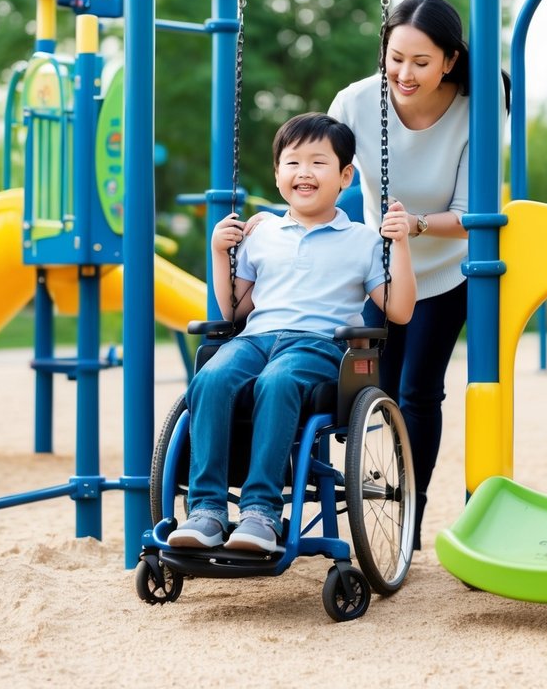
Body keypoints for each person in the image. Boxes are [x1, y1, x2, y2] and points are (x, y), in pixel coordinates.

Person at [168, 112, 416, 553]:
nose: (304, 172)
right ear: (278, 174)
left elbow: (398, 311)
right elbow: (234, 309)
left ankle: (261, 512)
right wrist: (217, 250)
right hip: (256, 338)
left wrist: (399, 245)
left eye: (318, 163)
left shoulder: (361, 239)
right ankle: (207, 510)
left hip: (320, 344)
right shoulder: (260, 234)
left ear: (344, 176)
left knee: (279, 381)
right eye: (293, 162)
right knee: (210, 378)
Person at [327, 0, 506, 550]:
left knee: (419, 391)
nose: (404, 73)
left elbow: (476, 212)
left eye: (422, 62)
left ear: (450, 60)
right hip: (381, 269)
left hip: (447, 266)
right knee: (363, 389)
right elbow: (325, 174)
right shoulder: (356, 104)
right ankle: (373, 484)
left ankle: (411, 512)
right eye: (395, 57)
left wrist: (419, 227)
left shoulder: (480, 102)